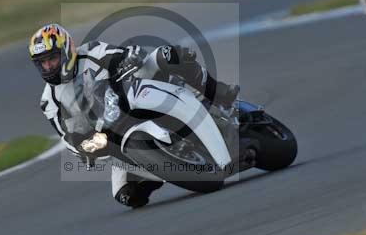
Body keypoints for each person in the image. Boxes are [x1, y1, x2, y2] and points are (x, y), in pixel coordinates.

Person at [29, 23, 239, 208]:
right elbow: (68, 137)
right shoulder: (49, 101)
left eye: (52, 59)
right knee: (126, 196)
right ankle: (160, 169)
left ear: (67, 51)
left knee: (166, 54)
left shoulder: (90, 51)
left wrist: (129, 58)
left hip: (130, 96)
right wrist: (84, 149)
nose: (48, 66)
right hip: (111, 133)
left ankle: (217, 94)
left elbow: (124, 53)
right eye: (42, 63)